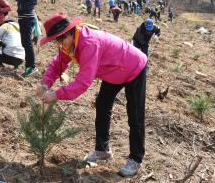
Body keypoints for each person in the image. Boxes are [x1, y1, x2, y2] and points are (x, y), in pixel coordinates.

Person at [36, 13, 147, 178]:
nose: (58, 44)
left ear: (70, 32)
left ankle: (135, 159)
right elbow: (57, 64)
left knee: (135, 115)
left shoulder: (89, 43)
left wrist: (57, 94)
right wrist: (46, 83)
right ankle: (102, 150)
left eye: (60, 39)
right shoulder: (70, 43)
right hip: (113, 70)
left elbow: (83, 82)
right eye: (55, 41)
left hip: (133, 67)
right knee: (102, 104)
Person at [4, 0, 40, 77]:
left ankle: (31, 67)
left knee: (27, 43)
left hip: (26, 17)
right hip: (27, 16)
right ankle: (30, 66)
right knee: (26, 43)